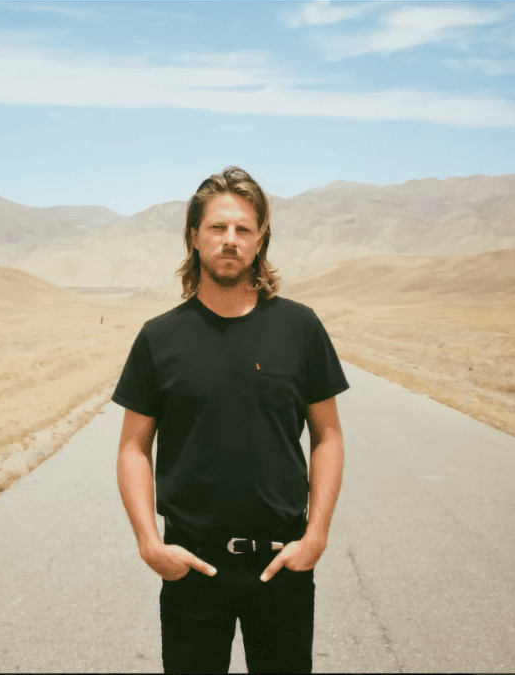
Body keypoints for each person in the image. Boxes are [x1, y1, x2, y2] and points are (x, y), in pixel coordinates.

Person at [113, 166, 349, 673]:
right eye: (217, 228)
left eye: (243, 229)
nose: (230, 240)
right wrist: (150, 545)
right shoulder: (159, 338)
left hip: (280, 565)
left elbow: (327, 436)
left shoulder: (299, 327)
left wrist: (316, 536)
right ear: (194, 237)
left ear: (261, 239)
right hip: (191, 567)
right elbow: (133, 447)